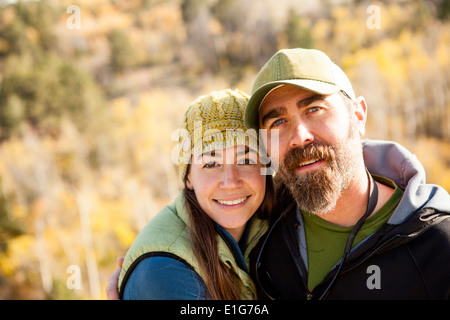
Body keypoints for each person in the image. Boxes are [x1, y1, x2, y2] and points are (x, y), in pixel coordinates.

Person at [244, 48, 450, 299]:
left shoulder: (438, 246)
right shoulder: (257, 236)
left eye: (314, 109)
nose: (299, 137)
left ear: (358, 115)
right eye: (277, 123)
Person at [116, 89, 274, 300]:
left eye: (246, 161)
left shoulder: (279, 222)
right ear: (188, 177)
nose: (230, 182)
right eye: (211, 164)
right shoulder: (162, 272)